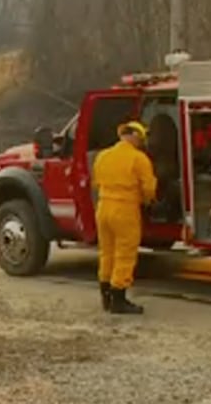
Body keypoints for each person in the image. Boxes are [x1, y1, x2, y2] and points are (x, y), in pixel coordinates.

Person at [91, 120, 157, 315]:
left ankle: (106, 295)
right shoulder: (139, 159)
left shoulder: (103, 156)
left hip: (103, 208)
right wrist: (148, 201)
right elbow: (148, 188)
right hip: (125, 210)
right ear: (136, 136)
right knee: (125, 254)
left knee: (106, 252)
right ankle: (119, 297)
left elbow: (96, 183)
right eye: (141, 139)